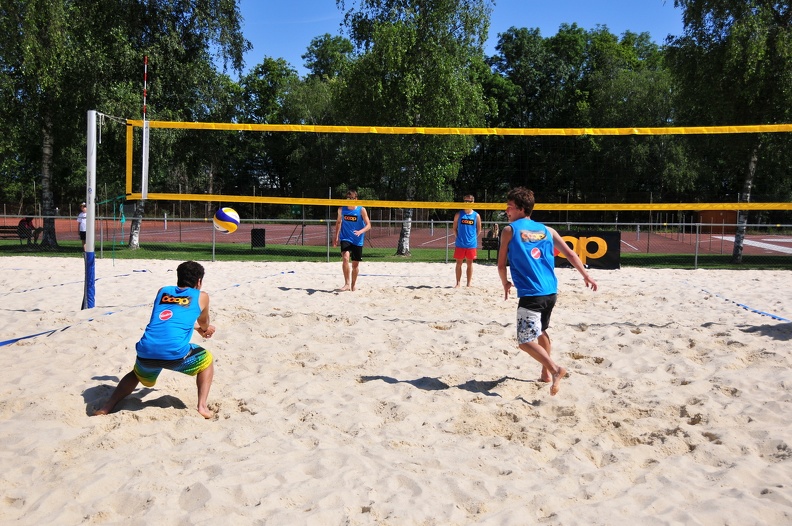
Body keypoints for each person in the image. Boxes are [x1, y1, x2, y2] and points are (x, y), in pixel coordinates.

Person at [497, 187, 597, 396]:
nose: (507, 211)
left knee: (525, 340)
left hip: (531, 294)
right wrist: (585, 275)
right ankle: (545, 374)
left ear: (522, 209)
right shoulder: (548, 230)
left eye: (510, 207)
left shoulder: (509, 230)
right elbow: (570, 253)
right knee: (541, 331)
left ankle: (554, 369)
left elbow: (500, 264)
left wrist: (505, 282)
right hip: (550, 292)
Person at [94, 261, 217, 418]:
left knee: (137, 375)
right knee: (207, 360)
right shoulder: (202, 296)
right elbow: (204, 322)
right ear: (199, 281)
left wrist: (194, 328)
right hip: (175, 354)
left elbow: (169, 319)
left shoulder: (162, 291)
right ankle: (202, 407)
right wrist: (205, 329)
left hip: (146, 351)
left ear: (178, 277)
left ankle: (107, 406)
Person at [333, 189, 371, 291]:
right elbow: (338, 222)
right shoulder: (342, 209)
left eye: (352, 198)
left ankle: (353, 285)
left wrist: (360, 231)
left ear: (356, 199)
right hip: (345, 237)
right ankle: (347, 284)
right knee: (345, 259)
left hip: (357, 240)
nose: (349, 200)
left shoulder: (361, 209)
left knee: (355, 264)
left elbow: (369, 225)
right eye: (348, 198)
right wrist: (336, 236)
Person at [453, 195, 482, 287]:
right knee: (459, 264)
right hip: (460, 243)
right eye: (465, 201)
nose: (467, 203)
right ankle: (458, 283)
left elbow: (479, 230)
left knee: (470, 264)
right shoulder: (459, 214)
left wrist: (472, 238)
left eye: (469, 201)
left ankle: (469, 283)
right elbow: (454, 228)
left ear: (473, 202)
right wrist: (458, 237)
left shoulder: (476, 215)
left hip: (471, 244)